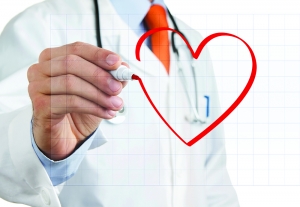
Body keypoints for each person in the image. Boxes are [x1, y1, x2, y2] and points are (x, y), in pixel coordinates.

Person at [0, 0, 239, 206]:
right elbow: (5, 157)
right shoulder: (43, 24)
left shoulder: (190, 43)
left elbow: (213, 175)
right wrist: (43, 146)